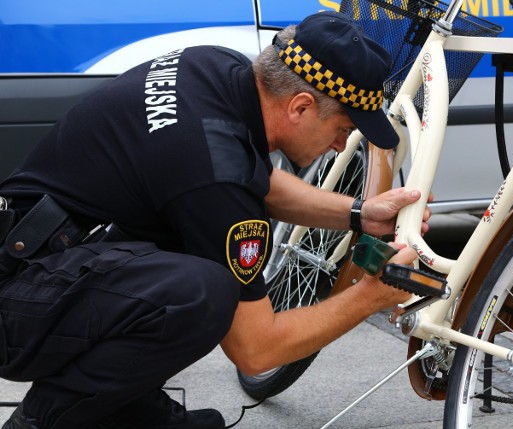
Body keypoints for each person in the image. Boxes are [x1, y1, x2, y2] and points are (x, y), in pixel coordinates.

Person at [0, 10, 431, 429]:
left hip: (37, 260)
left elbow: (255, 181)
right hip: (15, 303)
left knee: (182, 259)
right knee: (199, 294)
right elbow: (258, 349)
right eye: (342, 127)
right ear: (300, 107)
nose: (340, 146)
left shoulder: (215, 68)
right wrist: (370, 296)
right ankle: (47, 417)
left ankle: (120, 404)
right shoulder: (211, 173)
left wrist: (358, 214)